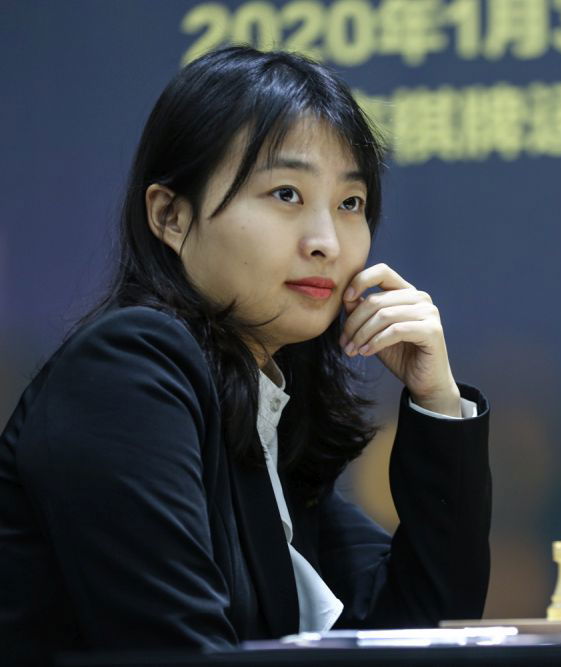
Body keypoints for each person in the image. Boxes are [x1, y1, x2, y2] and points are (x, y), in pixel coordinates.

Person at [0, 46, 491, 662]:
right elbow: (182, 653)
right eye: (286, 193)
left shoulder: (260, 397)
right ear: (171, 216)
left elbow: (416, 627)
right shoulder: (129, 368)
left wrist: (437, 401)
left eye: (350, 203)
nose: (326, 242)